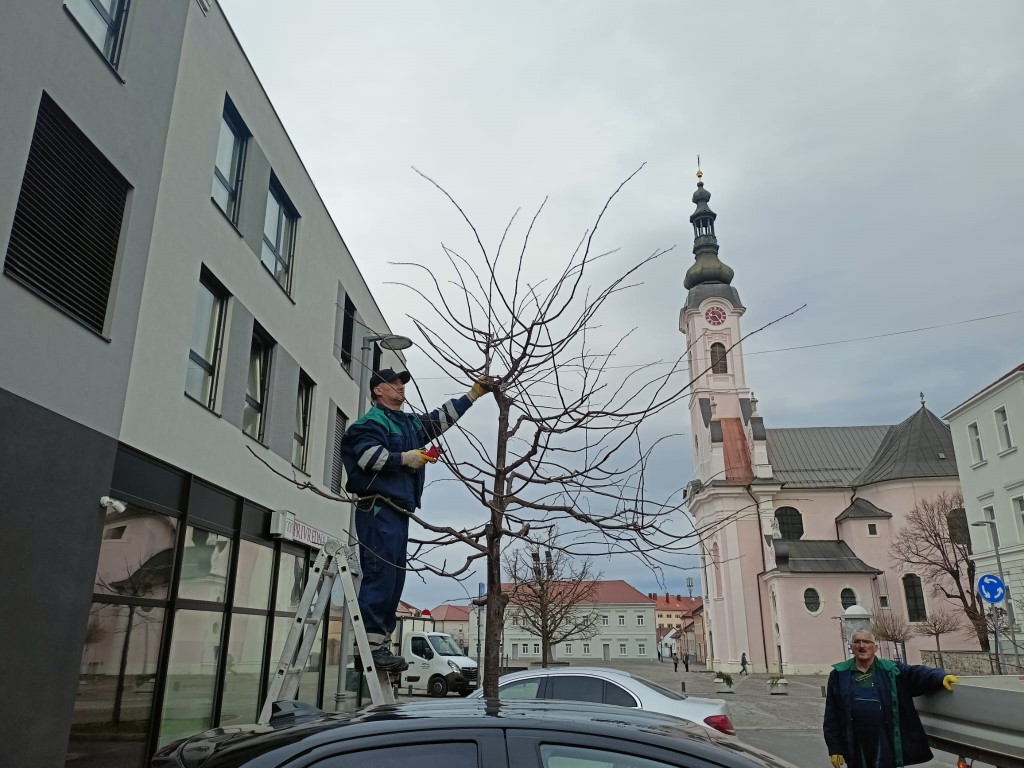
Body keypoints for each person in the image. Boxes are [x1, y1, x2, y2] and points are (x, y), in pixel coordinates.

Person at [340, 368, 494, 670]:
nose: (400, 386)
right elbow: (367, 458)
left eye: (402, 383)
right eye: (394, 382)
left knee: (394, 577)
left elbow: (439, 420)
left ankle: (379, 644)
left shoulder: (408, 423)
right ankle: (369, 651)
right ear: (378, 390)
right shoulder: (369, 423)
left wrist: (473, 394)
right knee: (380, 574)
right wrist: (405, 458)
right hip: (377, 507)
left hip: (397, 511)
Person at [824, 629, 958, 768]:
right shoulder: (839, 675)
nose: (862, 645)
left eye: (867, 642)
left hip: (884, 739)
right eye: (857, 642)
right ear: (851, 647)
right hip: (856, 740)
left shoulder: (891, 670)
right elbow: (831, 715)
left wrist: (939, 678)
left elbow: (916, 673)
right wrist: (835, 749)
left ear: (875, 647)